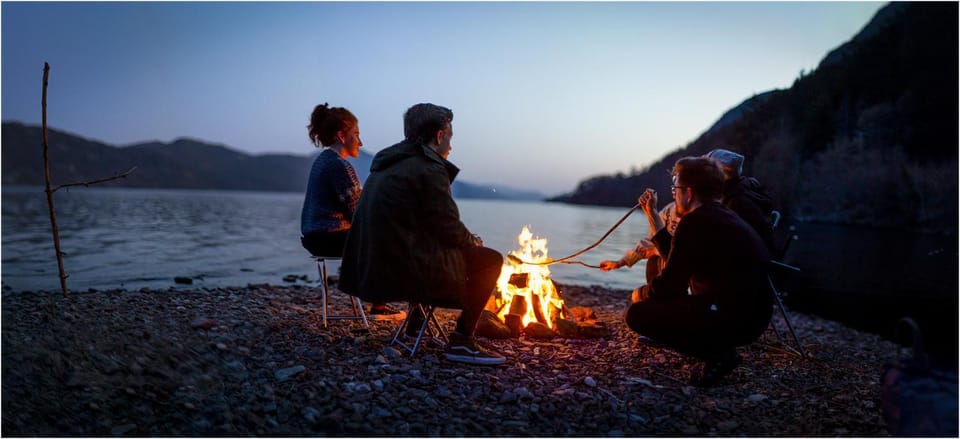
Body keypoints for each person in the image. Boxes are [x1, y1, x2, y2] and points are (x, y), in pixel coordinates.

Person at [339, 103, 506, 366]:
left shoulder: (387, 164)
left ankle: (415, 324)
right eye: (450, 136)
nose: (450, 145)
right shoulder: (429, 167)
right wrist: (472, 241)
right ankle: (463, 342)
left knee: (433, 248)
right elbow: (448, 227)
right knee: (490, 259)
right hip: (402, 274)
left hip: (370, 271)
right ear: (439, 135)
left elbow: (418, 224)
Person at [624, 156, 773, 387]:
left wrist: (643, 294)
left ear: (689, 193)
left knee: (637, 314)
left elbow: (669, 289)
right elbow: (675, 254)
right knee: (661, 303)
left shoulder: (695, 223)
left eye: (676, 188)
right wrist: (653, 215)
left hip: (731, 319)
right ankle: (717, 347)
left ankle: (718, 354)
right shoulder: (723, 216)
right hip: (754, 317)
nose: (674, 193)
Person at [299, 103, 403, 320]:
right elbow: (358, 212)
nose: (360, 141)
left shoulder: (324, 161)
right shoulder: (339, 166)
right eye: (356, 134)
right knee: (389, 239)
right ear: (341, 135)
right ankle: (380, 306)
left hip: (315, 236)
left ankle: (377, 302)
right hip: (328, 237)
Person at [705, 148, 777, 253]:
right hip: (761, 255)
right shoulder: (743, 188)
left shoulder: (736, 202)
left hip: (749, 261)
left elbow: (729, 243)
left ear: (720, 174)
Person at [599, 201, 680, 289]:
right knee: (654, 260)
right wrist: (620, 263)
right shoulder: (670, 210)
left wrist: (656, 251)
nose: (674, 195)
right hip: (666, 268)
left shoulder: (694, 218)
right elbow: (650, 242)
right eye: (673, 190)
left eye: (676, 190)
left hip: (684, 273)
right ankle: (655, 297)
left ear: (689, 193)